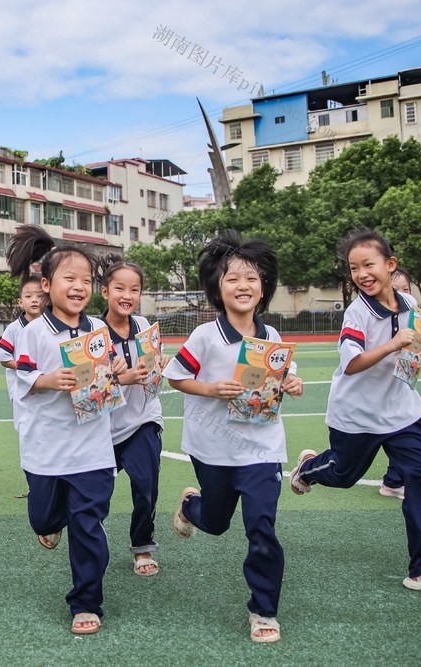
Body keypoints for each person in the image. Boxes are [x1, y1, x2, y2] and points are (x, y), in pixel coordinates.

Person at [289, 228, 421, 597]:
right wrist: (391, 344)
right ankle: (309, 468)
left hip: (403, 412)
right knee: (342, 474)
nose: (361, 274)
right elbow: (352, 363)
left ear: (390, 264)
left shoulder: (408, 302)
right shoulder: (357, 313)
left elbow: (414, 344)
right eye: (354, 268)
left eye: (368, 264)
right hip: (358, 416)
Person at [164, 231, 303, 643]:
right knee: (219, 522)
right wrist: (211, 388)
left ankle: (263, 610)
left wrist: (291, 382)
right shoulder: (205, 336)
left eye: (252, 278)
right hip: (214, 448)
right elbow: (175, 376)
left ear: (264, 288)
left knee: (261, 524)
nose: (243, 285)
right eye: (232, 279)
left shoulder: (272, 337)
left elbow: (278, 375)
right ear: (217, 288)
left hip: (262, 447)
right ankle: (192, 506)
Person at [7, 225, 122, 636]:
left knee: (88, 523)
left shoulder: (99, 331)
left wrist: (124, 374)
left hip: (91, 447)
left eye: (86, 280)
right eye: (69, 279)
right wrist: (47, 379)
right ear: (46, 284)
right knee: (43, 519)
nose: (78, 287)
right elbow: (21, 374)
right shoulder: (32, 332)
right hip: (45, 448)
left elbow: (108, 373)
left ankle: (86, 600)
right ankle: (51, 523)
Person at [97, 256, 167, 577]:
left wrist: (160, 363)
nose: (127, 295)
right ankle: (85, 532)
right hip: (102, 428)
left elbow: (154, 370)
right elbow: (85, 388)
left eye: (134, 289)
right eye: (120, 288)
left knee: (146, 486)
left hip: (143, 419)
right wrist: (116, 378)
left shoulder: (144, 326)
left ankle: (142, 545)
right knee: (96, 495)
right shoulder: (92, 333)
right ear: (104, 291)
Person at [379, 266, 415, 499]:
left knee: (405, 435)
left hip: (400, 391)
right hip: (376, 394)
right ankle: (310, 469)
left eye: (406, 289)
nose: (403, 293)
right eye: (397, 288)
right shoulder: (371, 314)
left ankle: (393, 480)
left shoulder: (410, 314)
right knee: (344, 469)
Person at [0, 276, 45, 432]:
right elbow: (4, 358)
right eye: (28, 296)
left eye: (39, 296)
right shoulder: (13, 329)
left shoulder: (48, 327)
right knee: (26, 428)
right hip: (20, 388)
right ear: (20, 302)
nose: (34, 300)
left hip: (45, 385)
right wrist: (27, 368)